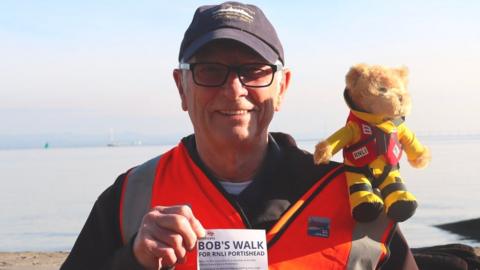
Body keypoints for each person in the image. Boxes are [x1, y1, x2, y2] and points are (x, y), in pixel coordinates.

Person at [61, 2, 420, 269]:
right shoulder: (131, 199)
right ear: (181, 87)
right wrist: (133, 259)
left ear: (282, 87)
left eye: (254, 71)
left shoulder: (353, 197)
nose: (234, 90)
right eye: (210, 70)